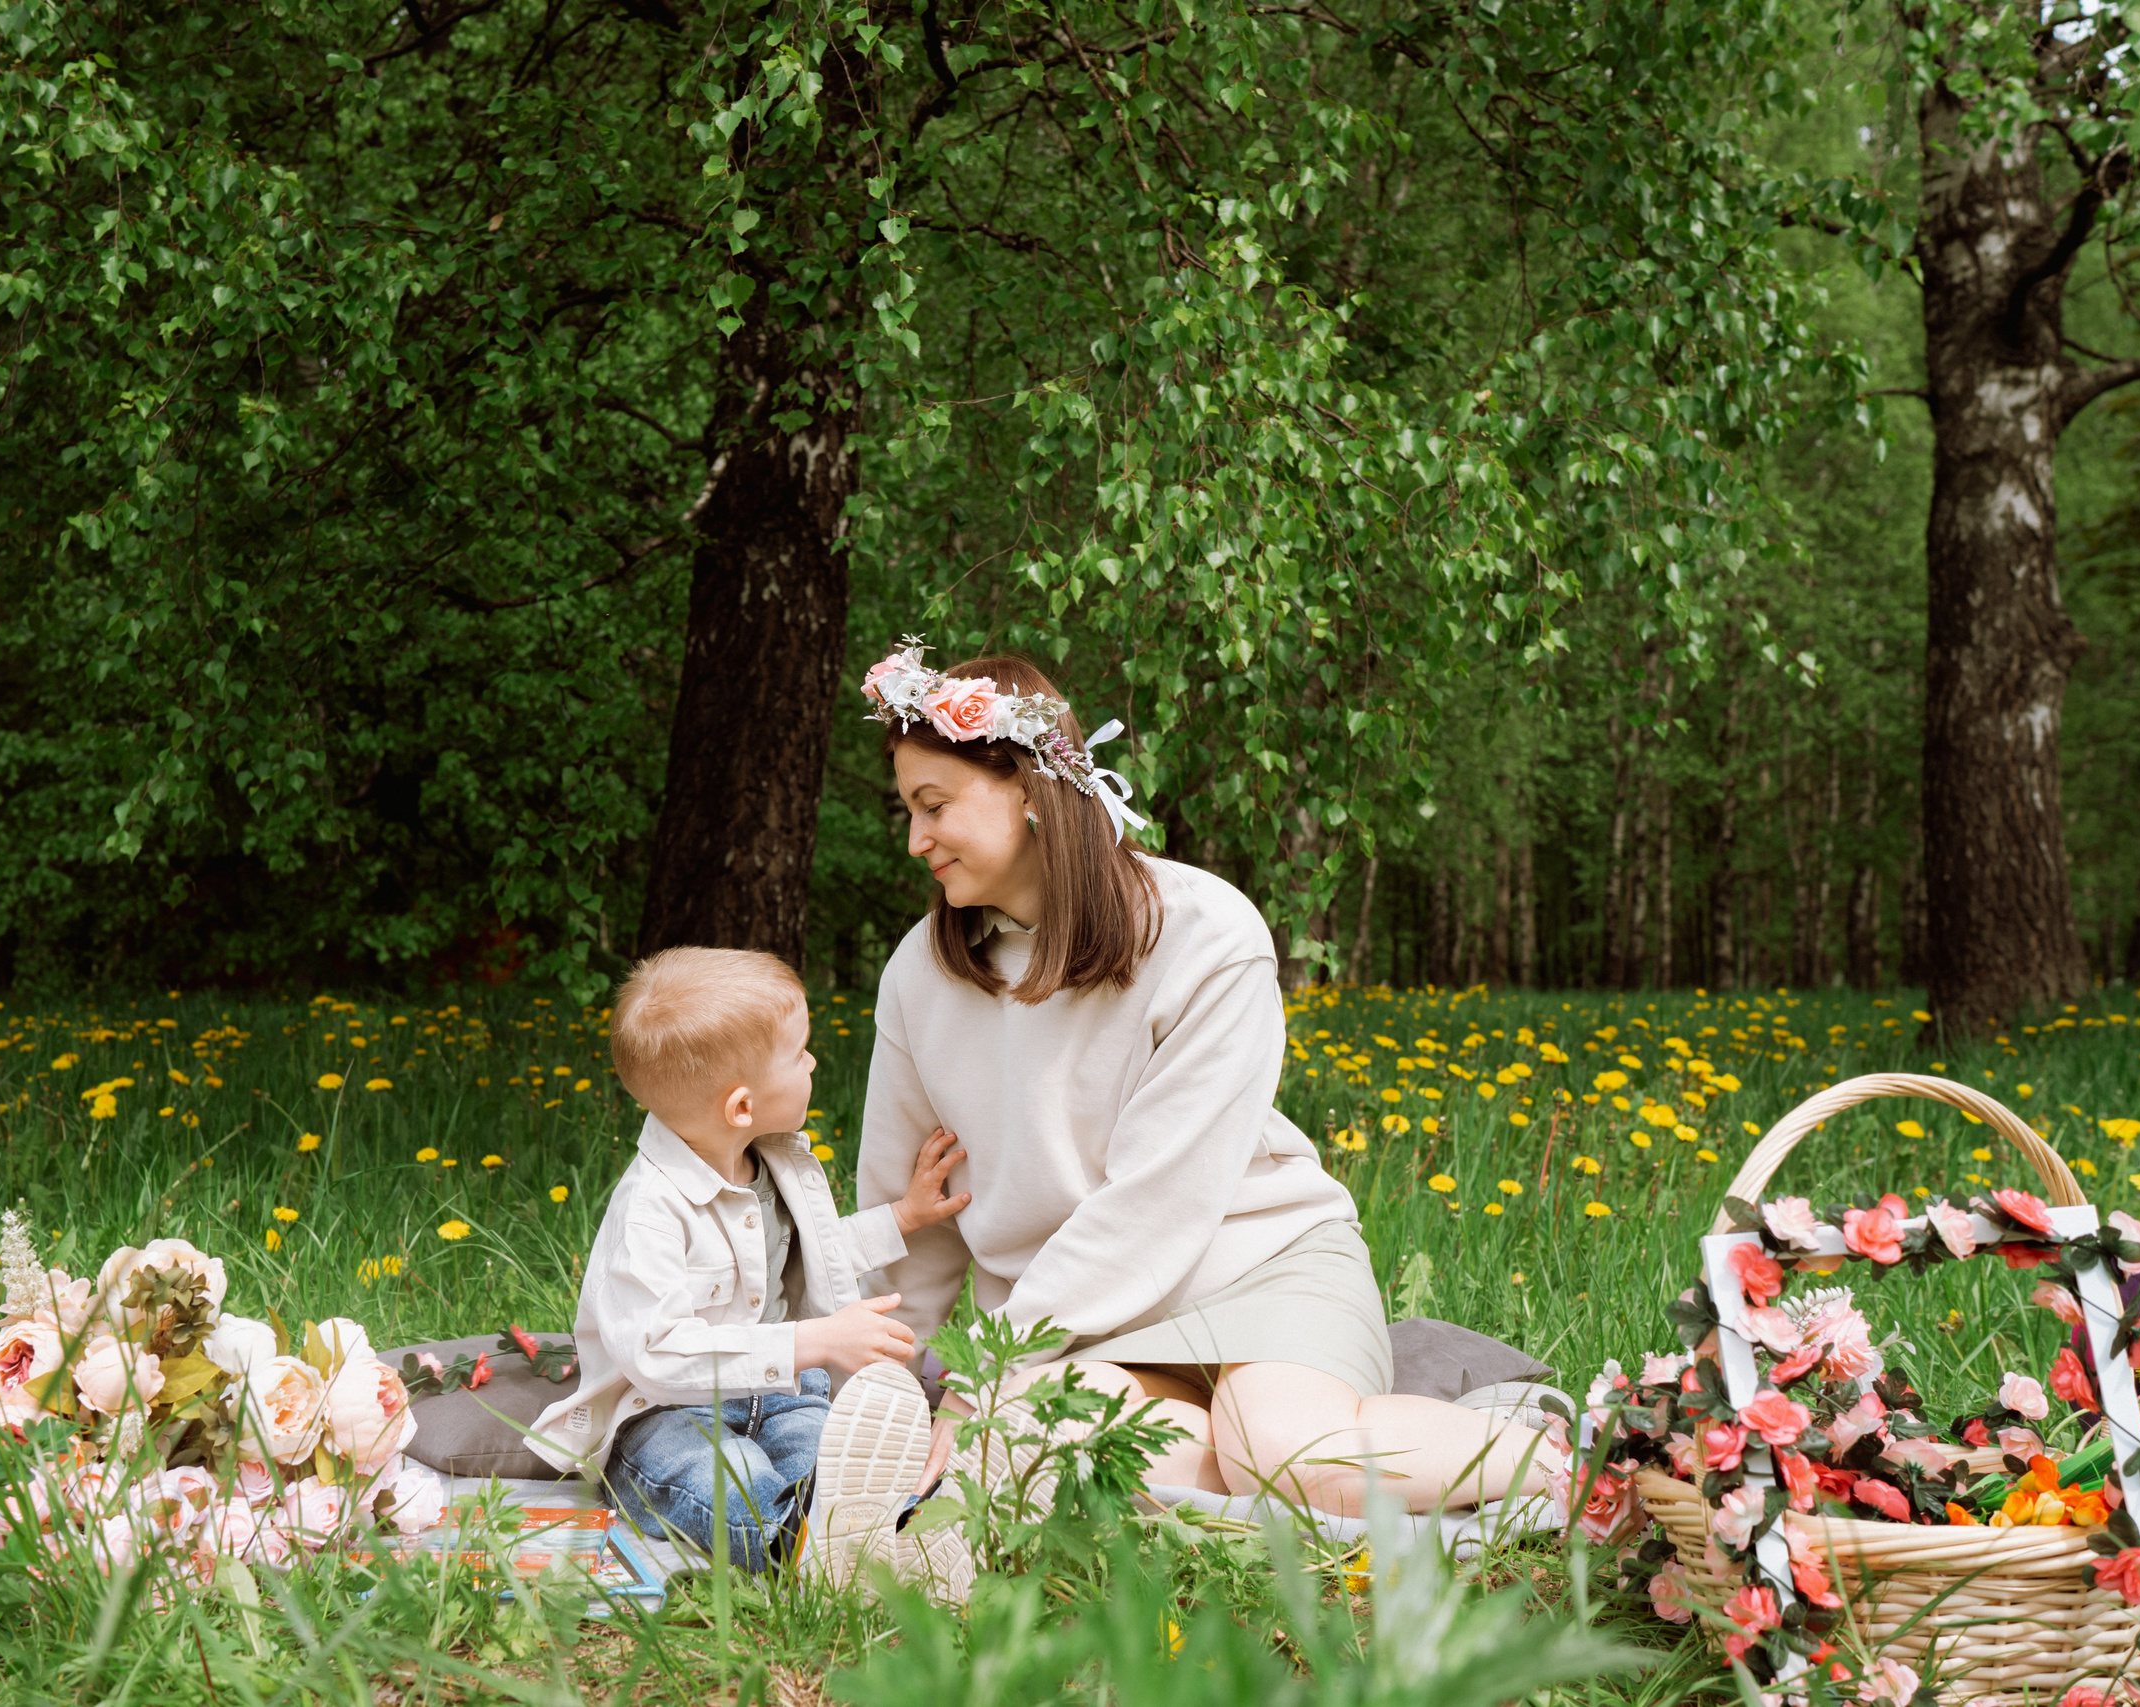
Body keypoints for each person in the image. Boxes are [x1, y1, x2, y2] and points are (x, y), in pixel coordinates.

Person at [850, 642, 1569, 1521]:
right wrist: (889, 1391)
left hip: (1259, 1274)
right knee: (1025, 1458)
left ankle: (1559, 1456)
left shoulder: (1204, 933)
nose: (915, 839)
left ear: (1033, 794)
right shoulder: (920, 976)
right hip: (1085, 1327)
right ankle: (1283, 1444)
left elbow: (1156, 1205)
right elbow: (909, 1205)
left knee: (1300, 1463)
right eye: (907, 810)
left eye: (934, 805)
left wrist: (988, 1371)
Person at [527, 946, 973, 1580]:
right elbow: (656, 1355)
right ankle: (801, 1551)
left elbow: (804, 1253)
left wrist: (903, 1217)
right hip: (663, 1414)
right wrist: (815, 1340)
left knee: (824, 1458)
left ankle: (890, 1529)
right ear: (741, 1106)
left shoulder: (772, 1163)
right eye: (799, 1054)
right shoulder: (650, 1211)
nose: (814, 1061)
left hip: (783, 1396)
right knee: (727, 1483)